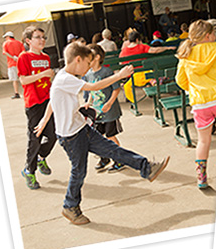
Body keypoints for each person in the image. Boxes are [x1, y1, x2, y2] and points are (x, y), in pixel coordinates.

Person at [34, 43, 169, 225]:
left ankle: (147, 168)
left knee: (112, 150)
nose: (89, 67)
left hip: (82, 129)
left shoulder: (64, 76)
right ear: (78, 59)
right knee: (78, 171)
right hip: (71, 137)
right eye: (87, 62)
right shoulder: (66, 78)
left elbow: (53, 99)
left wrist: (45, 119)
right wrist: (119, 75)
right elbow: (94, 86)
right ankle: (70, 206)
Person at [175, 20, 216, 189]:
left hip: (200, 104)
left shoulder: (185, 55)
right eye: (213, 33)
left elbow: (180, 81)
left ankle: (201, 178)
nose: (215, 36)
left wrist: (193, 89)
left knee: (203, 141)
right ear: (208, 35)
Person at [16, 26, 57, 190]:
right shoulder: (23, 57)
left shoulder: (46, 57)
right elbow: (24, 81)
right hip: (33, 104)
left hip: (47, 102)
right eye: (37, 37)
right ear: (28, 41)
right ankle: (29, 170)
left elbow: (48, 80)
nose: (42, 40)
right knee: (35, 139)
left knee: (53, 135)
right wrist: (43, 74)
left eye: (43, 37)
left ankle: (41, 157)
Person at [83, 44, 126, 172]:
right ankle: (104, 158)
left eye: (89, 55)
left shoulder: (106, 72)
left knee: (110, 136)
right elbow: (92, 90)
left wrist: (109, 103)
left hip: (109, 112)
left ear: (97, 57)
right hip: (97, 112)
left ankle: (119, 159)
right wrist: (88, 102)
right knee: (98, 137)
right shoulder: (88, 74)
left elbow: (116, 88)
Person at [2, 31, 25, 99]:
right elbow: (23, 51)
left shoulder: (5, 43)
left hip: (12, 64)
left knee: (15, 79)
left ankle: (16, 93)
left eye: (6, 37)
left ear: (8, 37)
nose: (5, 39)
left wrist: (13, 57)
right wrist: (18, 58)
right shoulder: (19, 43)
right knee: (23, 77)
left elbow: (5, 52)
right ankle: (26, 91)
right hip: (20, 62)